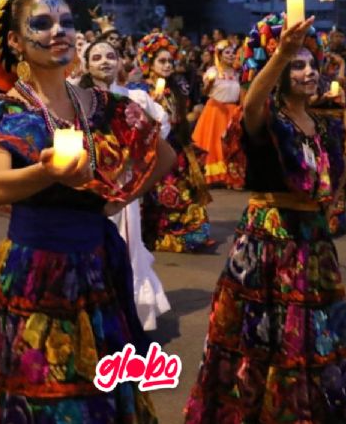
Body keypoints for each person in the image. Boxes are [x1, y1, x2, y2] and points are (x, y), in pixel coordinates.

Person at [0, 0, 174, 423]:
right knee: (39, 392)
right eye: (42, 24)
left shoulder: (105, 105)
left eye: (66, 22)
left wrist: (114, 200)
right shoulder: (5, 112)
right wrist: (48, 171)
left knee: (95, 391)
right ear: (15, 41)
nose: (58, 31)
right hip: (33, 272)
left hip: (95, 269)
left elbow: (164, 156)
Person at [184, 13, 346, 423]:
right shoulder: (266, 119)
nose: (308, 72)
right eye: (296, 65)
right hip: (269, 241)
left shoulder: (323, 124)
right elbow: (252, 102)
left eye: (311, 63)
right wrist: (281, 51)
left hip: (314, 240)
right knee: (262, 335)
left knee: (313, 332)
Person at [80, 37, 173, 330]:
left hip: (126, 185)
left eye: (110, 56)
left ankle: (129, 317)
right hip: (92, 183)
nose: (104, 61)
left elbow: (162, 123)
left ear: (120, 61)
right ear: (86, 65)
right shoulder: (79, 99)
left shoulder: (136, 98)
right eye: (96, 58)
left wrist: (140, 156)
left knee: (127, 244)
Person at [137, 32, 216, 253]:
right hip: (153, 153)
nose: (167, 65)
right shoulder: (141, 92)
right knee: (159, 196)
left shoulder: (178, 88)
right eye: (161, 61)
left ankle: (185, 233)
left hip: (178, 149)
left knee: (184, 193)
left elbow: (182, 118)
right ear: (149, 64)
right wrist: (152, 107)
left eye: (170, 61)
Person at [192, 39, 245, 189]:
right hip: (215, 112)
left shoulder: (237, 74)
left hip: (232, 112)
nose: (231, 55)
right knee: (214, 145)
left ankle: (231, 176)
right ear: (220, 55)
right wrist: (208, 84)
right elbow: (205, 92)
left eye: (232, 52)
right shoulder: (213, 72)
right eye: (227, 52)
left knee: (232, 146)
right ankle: (214, 176)